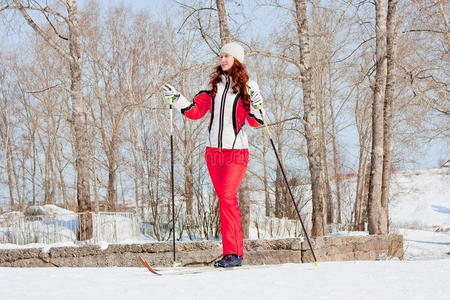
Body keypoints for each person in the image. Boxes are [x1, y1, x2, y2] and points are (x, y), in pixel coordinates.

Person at [162, 42, 264, 268]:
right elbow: (195, 112)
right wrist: (178, 99)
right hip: (213, 154)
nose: (223, 59)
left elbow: (256, 122)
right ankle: (234, 253)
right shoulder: (214, 87)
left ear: (237, 59)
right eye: (221, 55)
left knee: (228, 197)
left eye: (227, 55)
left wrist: (257, 106)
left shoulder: (248, 87)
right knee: (225, 201)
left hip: (236, 153)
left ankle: (233, 254)